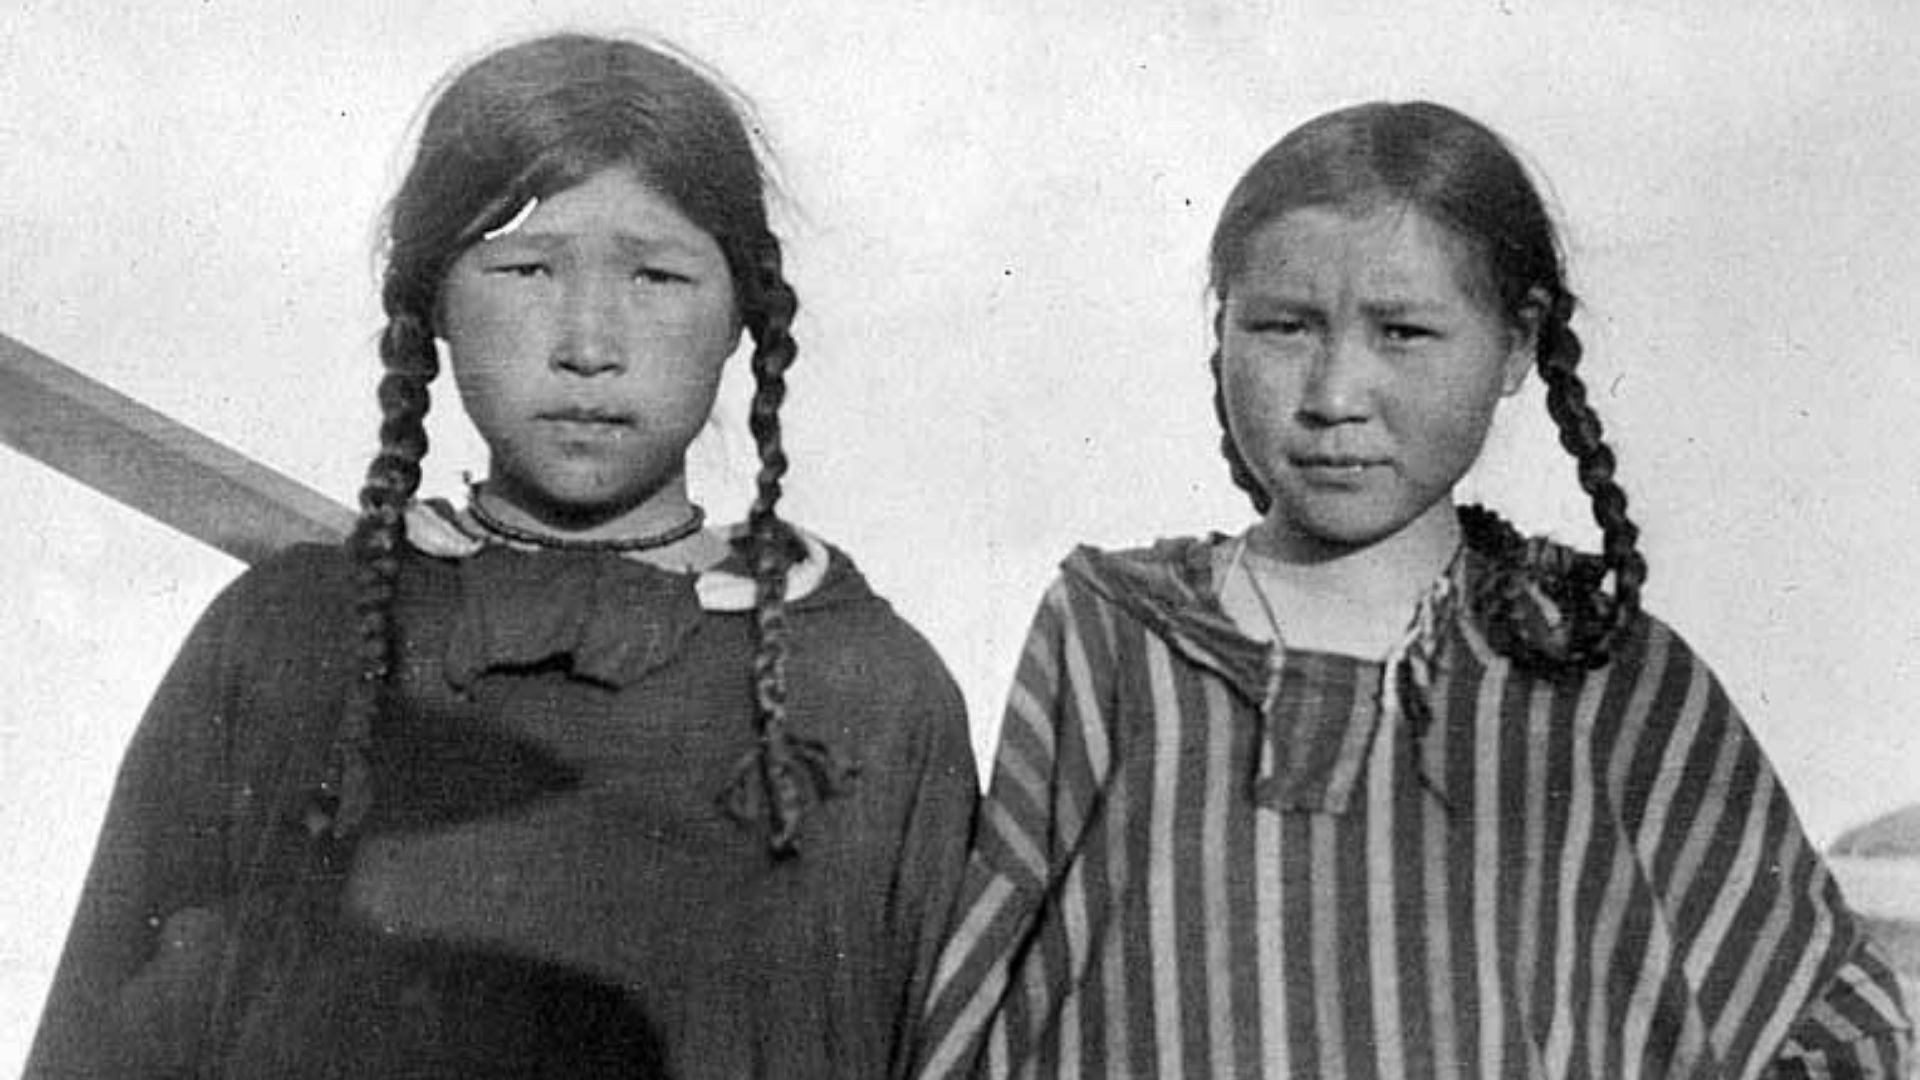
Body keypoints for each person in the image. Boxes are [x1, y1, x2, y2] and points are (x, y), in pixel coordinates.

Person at [27, 32, 977, 1079]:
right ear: (433, 299)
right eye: (528, 268)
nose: (589, 342)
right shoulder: (285, 643)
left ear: (742, 317)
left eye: (657, 276)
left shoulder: (866, 693)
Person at [914, 102, 1910, 1078]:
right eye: (1284, 326)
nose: (1336, 394)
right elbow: (973, 1005)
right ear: (1223, 335)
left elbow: (1830, 1028)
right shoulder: (1115, 642)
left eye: (1402, 332)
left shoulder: (1605, 679)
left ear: (1518, 344)